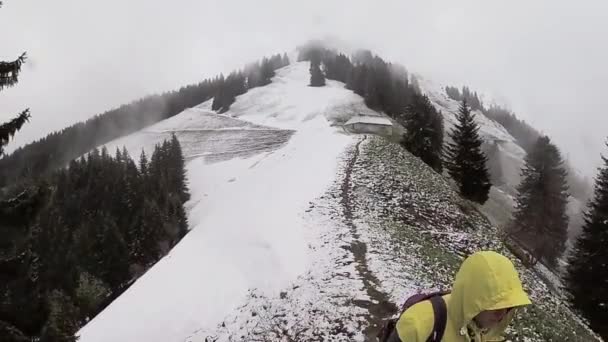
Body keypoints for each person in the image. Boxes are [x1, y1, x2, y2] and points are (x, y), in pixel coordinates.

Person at [388, 251, 531, 341]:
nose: (501, 315)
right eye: (497, 306)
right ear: (477, 298)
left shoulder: (481, 330)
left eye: (509, 309)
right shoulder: (418, 323)